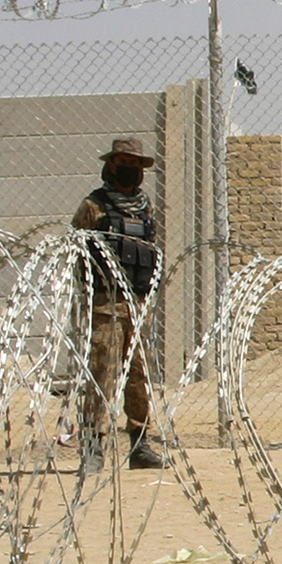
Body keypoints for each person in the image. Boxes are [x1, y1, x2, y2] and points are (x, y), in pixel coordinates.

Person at [72, 137, 165, 472]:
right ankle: (93, 446)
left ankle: (140, 446)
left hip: (137, 303)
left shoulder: (145, 207)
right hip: (105, 304)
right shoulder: (94, 206)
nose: (131, 170)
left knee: (138, 377)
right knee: (102, 374)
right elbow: (79, 252)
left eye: (136, 164)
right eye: (124, 163)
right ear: (111, 165)